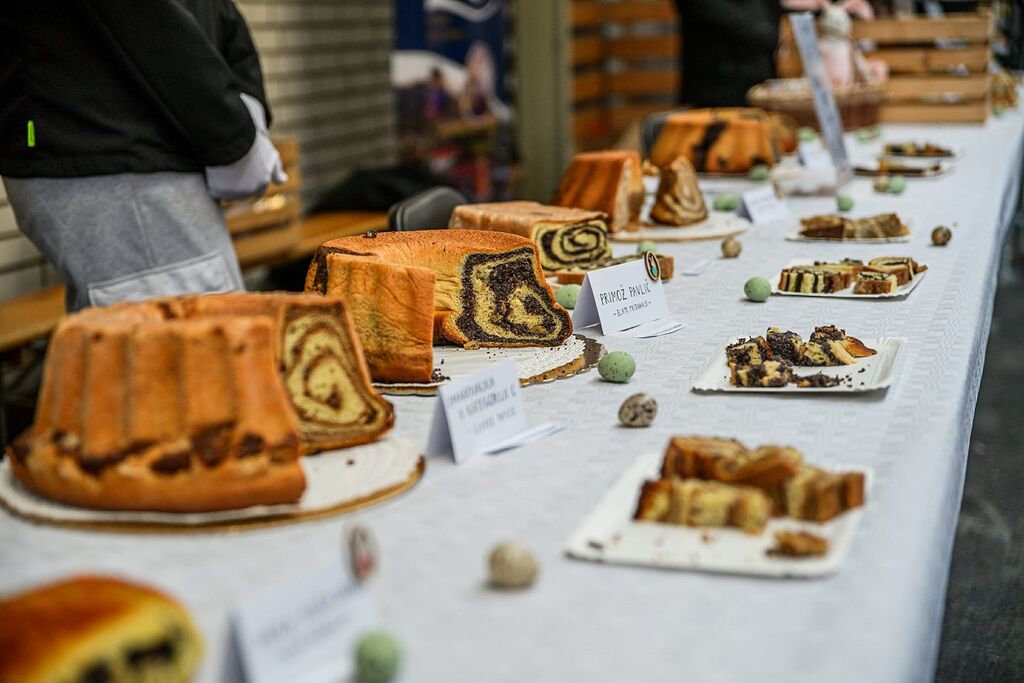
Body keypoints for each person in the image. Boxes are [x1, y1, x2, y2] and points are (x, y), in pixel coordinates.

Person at [0, 0, 285, 312]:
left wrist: (244, 109)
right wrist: (232, 133)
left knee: (181, 327)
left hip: (130, 148)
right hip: (116, 152)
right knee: (187, 334)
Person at [673, 0, 875, 108]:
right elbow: (716, 14)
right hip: (715, 94)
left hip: (760, 90)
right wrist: (777, 34)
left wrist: (830, 11)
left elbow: (772, 10)